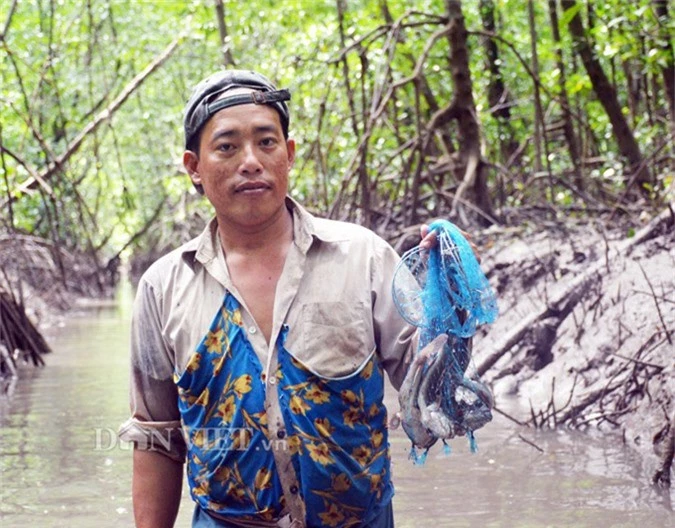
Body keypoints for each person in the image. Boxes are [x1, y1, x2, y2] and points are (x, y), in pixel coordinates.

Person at [119, 69, 440, 528]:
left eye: (266, 143)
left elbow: (427, 389)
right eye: (227, 146)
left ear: (288, 155)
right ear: (194, 166)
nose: (250, 161)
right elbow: (156, 438)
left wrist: (444, 306)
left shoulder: (362, 258)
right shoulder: (163, 288)